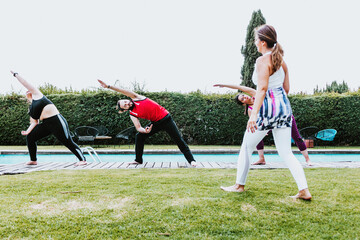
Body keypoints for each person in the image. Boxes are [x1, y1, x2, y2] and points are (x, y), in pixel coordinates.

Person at [218, 25, 312, 200]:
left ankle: (239, 185)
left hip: (268, 108)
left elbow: (261, 89)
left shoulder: (262, 61)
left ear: (262, 42)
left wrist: (253, 116)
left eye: (255, 40)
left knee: (246, 147)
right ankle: (304, 190)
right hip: (284, 108)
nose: (254, 43)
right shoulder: (281, 61)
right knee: (285, 152)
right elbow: (286, 89)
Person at [97, 79, 197, 167]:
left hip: (166, 119)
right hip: (155, 123)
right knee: (139, 136)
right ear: (124, 109)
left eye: (126, 101)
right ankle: (138, 160)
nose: (127, 103)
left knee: (178, 139)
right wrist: (144, 130)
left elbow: (122, 90)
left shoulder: (136, 97)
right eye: (125, 105)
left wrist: (108, 86)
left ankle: (191, 160)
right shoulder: (132, 114)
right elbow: (138, 127)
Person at [213, 84, 313, 166]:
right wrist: (261, 132)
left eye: (243, 95)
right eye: (242, 99)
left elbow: (241, 87)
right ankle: (262, 159)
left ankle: (307, 160)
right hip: (268, 123)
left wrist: (224, 85)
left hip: (283, 117)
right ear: (243, 104)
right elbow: (255, 123)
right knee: (256, 137)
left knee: (297, 137)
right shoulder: (250, 110)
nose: (245, 97)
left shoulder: (256, 95)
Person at [11, 71, 87, 166]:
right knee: (30, 137)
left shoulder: (38, 95)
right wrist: (27, 131)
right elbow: (34, 122)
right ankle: (33, 160)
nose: (28, 90)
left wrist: (15, 75)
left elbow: (25, 83)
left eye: (29, 89)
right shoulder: (31, 108)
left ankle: (82, 160)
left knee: (67, 141)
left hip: (57, 121)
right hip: (46, 124)